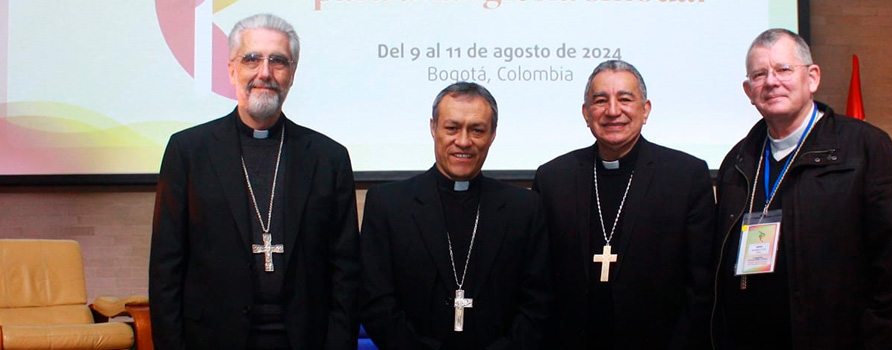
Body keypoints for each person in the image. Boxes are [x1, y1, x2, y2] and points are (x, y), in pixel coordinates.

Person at [149, 14, 360, 350]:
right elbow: (166, 270)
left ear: (291, 74)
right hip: (213, 339)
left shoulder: (328, 158)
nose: (264, 72)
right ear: (232, 69)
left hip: (305, 338)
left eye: (278, 61)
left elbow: (345, 272)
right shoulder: (189, 151)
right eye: (251, 59)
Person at [712, 28, 892, 349]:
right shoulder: (738, 161)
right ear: (748, 90)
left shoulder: (865, 149)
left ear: (812, 78)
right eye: (759, 74)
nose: (771, 82)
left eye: (783, 69)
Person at [532, 60, 715, 349]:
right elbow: (539, 281)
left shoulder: (686, 176)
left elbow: (701, 284)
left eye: (625, 99)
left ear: (645, 110)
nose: (613, 111)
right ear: (586, 113)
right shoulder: (554, 178)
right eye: (600, 100)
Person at [359, 82, 552, 350]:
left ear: (492, 135)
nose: (463, 141)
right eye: (452, 128)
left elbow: (537, 303)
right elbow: (376, 301)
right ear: (433, 128)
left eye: (477, 130)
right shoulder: (388, 205)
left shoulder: (524, 209)